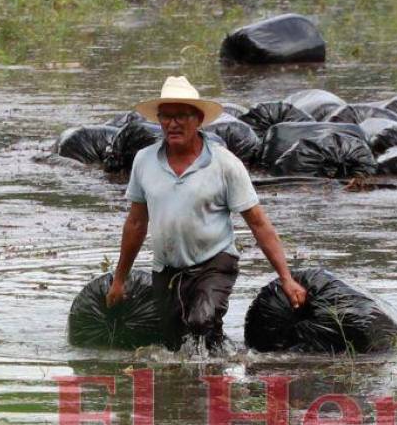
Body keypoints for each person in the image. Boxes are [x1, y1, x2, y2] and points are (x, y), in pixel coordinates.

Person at [106, 76, 307, 351]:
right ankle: (215, 368)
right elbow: (136, 223)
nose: (172, 124)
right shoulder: (144, 160)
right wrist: (119, 279)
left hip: (214, 261)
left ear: (198, 119)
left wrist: (286, 277)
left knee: (200, 321)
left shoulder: (225, 164)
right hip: (166, 268)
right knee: (174, 346)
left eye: (181, 116)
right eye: (166, 117)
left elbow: (259, 223)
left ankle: (214, 381)